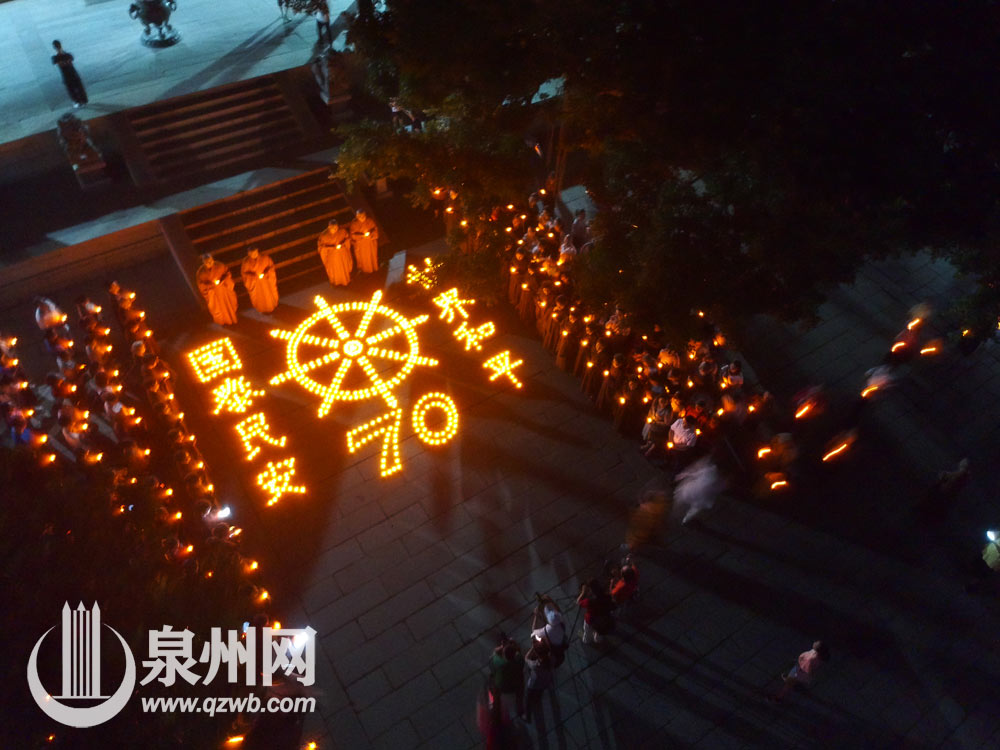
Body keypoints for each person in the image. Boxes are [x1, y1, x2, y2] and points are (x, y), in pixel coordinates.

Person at [673, 456, 724, 525]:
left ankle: (682, 517)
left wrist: (684, 475)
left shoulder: (709, 470)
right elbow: (717, 488)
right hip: (700, 494)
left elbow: (695, 474)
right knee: (694, 507)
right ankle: (684, 519)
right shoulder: (714, 474)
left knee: (683, 497)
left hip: (695, 491)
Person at [196, 254, 238, 325]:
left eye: (210, 261)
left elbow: (227, 273)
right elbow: (201, 285)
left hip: (223, 291)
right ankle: (223, 322)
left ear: (213, 259)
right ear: (204, 262)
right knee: (218, 309)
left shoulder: (219, 265)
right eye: (207, 262)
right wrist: (210, 285)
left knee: (229, 306)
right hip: (213, 294)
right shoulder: (201, 272)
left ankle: (233, 319)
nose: (209, 263)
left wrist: (222, 280)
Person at [488, 637, 524, 718]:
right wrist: (514, 645)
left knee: (491, 680)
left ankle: (495, 708)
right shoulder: (520, 660)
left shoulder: (500, 663)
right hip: (515, 686)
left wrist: (502, 647)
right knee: (520, 689)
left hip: (502, 687)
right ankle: (520, 710)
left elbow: (493, 656)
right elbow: (519, 652)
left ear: (504, 655)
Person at [521, 642, 553, 723]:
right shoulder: (551, 660)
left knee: (528, 701)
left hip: (533, 685)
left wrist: (533, 647)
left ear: (537, 654)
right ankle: (537, 700)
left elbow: (526, 658)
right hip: (544, 683)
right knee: (539, 694)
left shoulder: (535, 665)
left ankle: (527, 717)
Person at [240, 247, 279, 313]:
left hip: (266, 282)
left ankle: (272, 307)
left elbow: (271, 267)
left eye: (255, 252)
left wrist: (266, 273)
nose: (254, 254)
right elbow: (244, 274)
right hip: (256, 285)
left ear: (257, 251)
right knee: (259, 298)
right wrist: (254, 276)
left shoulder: (265, 258)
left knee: (269, 295)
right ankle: (262, 309)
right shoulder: (246, 262)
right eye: (252, 253)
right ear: (249, 254)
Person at [576, 579, 614, 644]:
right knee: (599, 631)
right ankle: (598, 640)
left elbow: (578, 602)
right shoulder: (607, 596)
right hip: (603, 618)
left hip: (590, 619)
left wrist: (583, 593)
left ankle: (586, 640)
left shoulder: (589, 601)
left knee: (587, 632)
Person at [51, 41, 88, 108]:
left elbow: (63, 64)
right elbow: (65, 63)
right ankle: (81, 101)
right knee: (77, 88)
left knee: (73, 89)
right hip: (72, 74)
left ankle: (79, 101)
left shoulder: (57, 57)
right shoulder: (67, 55)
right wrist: (66, 62)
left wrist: (64, 62)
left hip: (68, 75)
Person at [317, 219, 353, 285]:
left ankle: (346, 280)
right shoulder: (324, 236)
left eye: (336, 227)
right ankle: (336, 282)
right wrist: (331, 248)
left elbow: (347, 239)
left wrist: (343, 244)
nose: (335, 229)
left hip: (342, 254)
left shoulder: (342, 231)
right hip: (332, 257)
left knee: (344, 268)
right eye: (333, 228)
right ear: (329, 227)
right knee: (335, 270)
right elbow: (321, 247)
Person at [349, 209, 379, 273]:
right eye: (360, 216)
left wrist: (371, 235)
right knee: (364, 258)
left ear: (365, 215)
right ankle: (365, 270)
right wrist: (362, 236)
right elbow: (352, 235)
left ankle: (374, 268)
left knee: (372, 256)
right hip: (361, 245)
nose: (362, 217)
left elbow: (375, 229)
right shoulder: (354, 224)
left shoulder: (369, 221)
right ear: (357, 217)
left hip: (370, 243)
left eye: (363, 216)